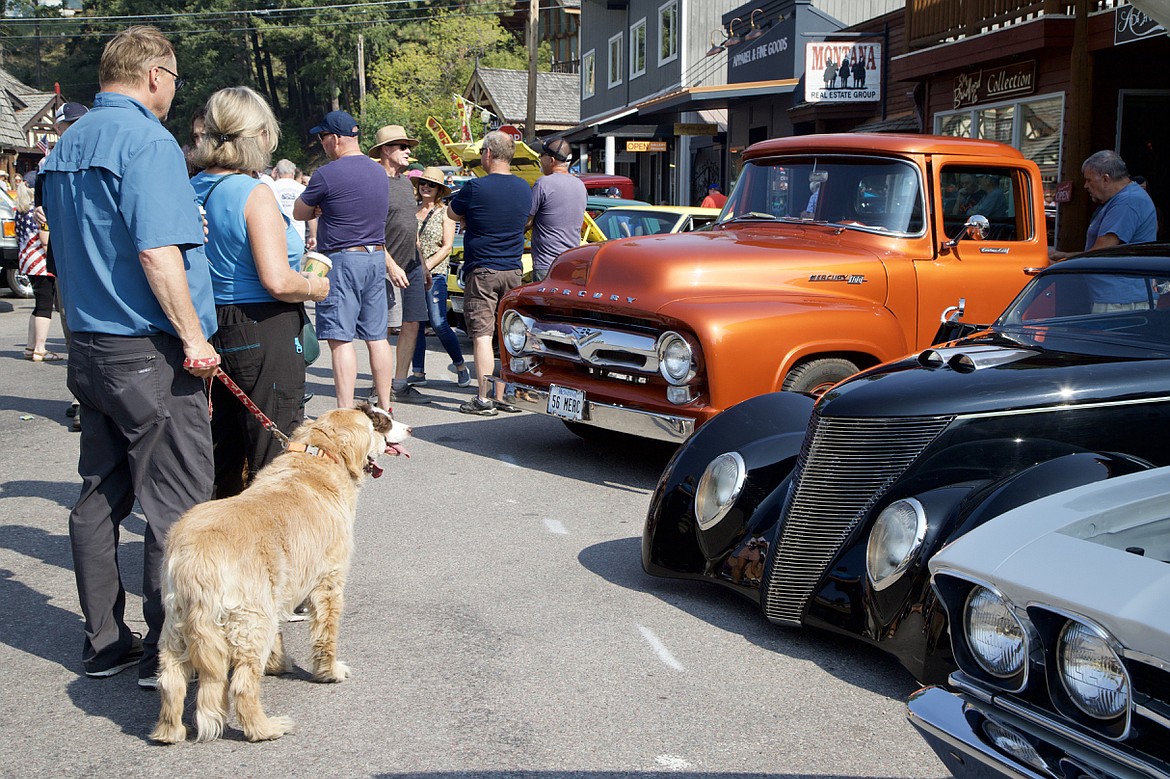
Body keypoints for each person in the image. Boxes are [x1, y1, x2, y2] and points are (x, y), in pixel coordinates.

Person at [41, 25, 220, 689]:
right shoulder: (147, 140)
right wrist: (195, 337)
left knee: (99, 495)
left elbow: (66, 252)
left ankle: (104, 641)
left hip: (88, 343)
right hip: (145, 347)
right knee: (177, 504)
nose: (175, 91)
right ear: (154, 75)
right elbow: (157, 251)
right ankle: (164, 655)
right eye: (174, 79)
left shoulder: (68, 142)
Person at [189, 86, 330, 498]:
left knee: (224, 446)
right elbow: (278, 281)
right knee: (274, 450)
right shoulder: (252, 192)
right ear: (260, 135)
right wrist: (315, 287)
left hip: (213, 323)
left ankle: (224, 542)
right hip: (263, 325)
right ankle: (270, 549)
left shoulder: (194, 185)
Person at [293, 110, 395, 410]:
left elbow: (299, 212)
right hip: (375, 256)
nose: (322, 143)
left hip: (343, 258)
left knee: (341, 338)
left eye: (323, 137)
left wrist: (318, 208)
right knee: (377, 336)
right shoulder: (379, 171)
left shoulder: (327, 174)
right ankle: (384, 405)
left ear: (336, 139)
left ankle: (344, 409)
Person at [447, 130, 533, 416]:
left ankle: (483, 399)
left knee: (482, 334)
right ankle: (507, 393)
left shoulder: (475, 188)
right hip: (513, 269)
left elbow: (451, 213)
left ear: (487, 154)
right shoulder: (524, 188)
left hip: (483, 268)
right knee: (509, 334)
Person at [366, 124, 432, 404]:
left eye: (409, 147)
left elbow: (411, 227)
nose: (408, 152)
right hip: (385, 265)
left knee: (412, 323)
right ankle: (378, 387)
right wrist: (390, 265)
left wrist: (424, 263)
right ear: (385, 150)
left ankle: (401, 383)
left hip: (412, 264)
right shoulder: (373, 182)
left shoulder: (406, 182)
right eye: (402, 146)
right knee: (380, 329)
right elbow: (369, 230)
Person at [34, 101, 89, 428]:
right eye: (69, 126)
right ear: (58, 130)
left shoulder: (95, 158)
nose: (75, 130)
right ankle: (81, 395)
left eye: (79, 124)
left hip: (94, 258)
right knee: (73, 329)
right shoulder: (48, 166)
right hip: (66, 259)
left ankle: (88, 397)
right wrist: (42, 218)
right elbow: (44, 213)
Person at [409, 166, 470, 387]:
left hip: (435, 275)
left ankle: (460, 366)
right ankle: (418, 372)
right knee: (415, 323)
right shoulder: (413, 211)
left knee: (438, 322)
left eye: (431, 184)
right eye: (423, 183)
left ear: (439, 190)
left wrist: (428, 267)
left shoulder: (446, 213)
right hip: (413, 274)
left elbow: (446, 247)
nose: (426, 187)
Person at [527, 137, 586, 283]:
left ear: (552, 160)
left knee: (544, 305)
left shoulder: (543, 183)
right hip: (571, 263)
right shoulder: (580, 185)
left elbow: (526, 222)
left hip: (546, 264)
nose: (540, 159)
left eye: (542, 156)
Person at [14, 182, 58, 362]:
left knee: (38, 303)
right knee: (45, 306)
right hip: (42, 263)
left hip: (26, 260)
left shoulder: (21, 209)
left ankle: (30, 346)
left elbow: (17, 236)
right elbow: (45, 239)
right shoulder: (39, 212)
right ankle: (40, 349)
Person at [269, 158, 311, 245]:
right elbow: (310, 215)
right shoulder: (302, 189)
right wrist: (313, 235)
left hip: (276, 235)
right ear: (293, 173)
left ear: (277, 172)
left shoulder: (270, 188)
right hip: (298, 235)